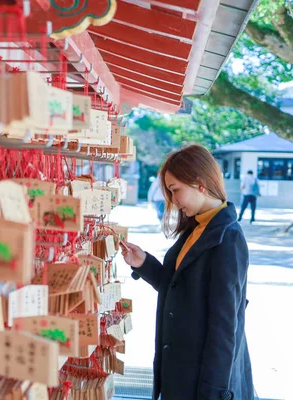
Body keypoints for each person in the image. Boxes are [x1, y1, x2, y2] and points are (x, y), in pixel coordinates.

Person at [120, 145, 253, 400]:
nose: (173, 200)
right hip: (181, 369)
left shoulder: (228, 237)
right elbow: (181, 290)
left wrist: (214, 391)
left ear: (199, 184)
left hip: (201, 379)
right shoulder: (198, 226)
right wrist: (144, 263)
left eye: (175, 190)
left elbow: (225, 325)